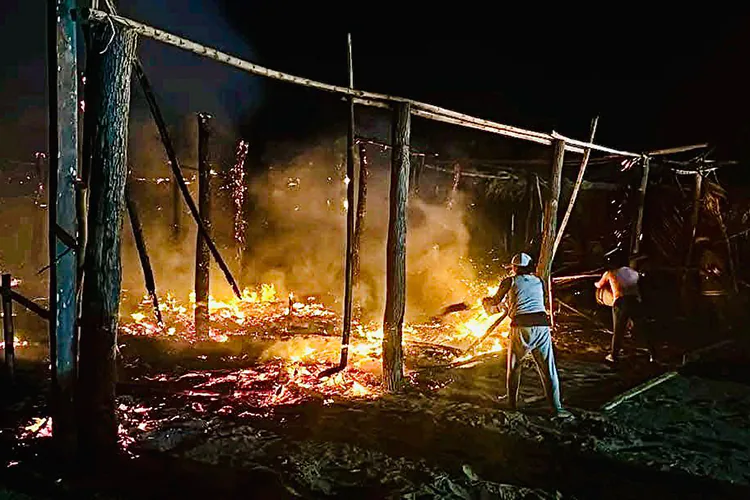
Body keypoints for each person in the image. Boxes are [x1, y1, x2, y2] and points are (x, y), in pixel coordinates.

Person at [483, 252, 570, 418]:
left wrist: (486, 301)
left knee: (514, 368)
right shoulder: (538, 281)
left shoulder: (510, 281)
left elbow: (495, 301)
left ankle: (512, 405)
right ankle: (557, 409)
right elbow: (529, 300)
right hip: (542, 326)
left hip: (521, 328)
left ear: (515, 268)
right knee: (548, 370)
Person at [595, 256, 655, 363]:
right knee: (642, 328)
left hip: (620, 302)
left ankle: (613, 356)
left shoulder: (610, 273)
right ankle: (653, 354)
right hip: (635, 301)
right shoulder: (631, 273)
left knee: (618, 331)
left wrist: (596, 283)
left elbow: (599, 284)